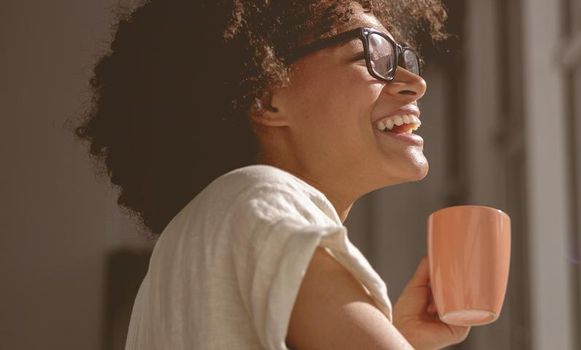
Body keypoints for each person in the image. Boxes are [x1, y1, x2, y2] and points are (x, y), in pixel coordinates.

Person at [73, 0, 466, 348]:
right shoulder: (258, 198)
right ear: (266, 97)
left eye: (404, 59)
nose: (415, 83)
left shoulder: (194, 250)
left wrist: (400, 339)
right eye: (373, 54)